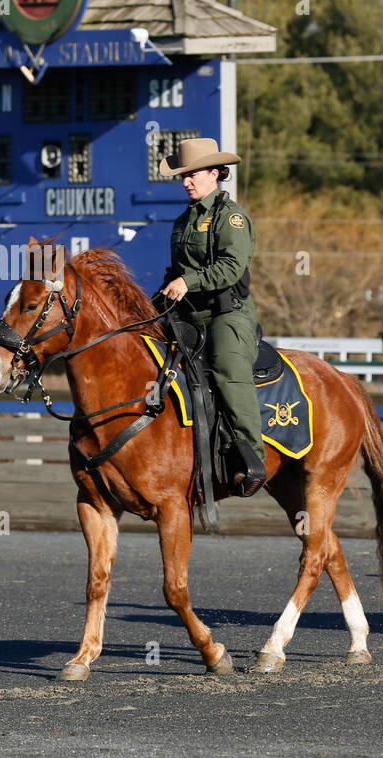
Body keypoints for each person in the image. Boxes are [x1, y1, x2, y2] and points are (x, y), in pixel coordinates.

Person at [157, 137, 265, 496]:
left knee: (227, 367)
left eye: (193, 174)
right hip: (186, 315)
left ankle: (250, 457)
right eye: (182, 175)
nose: (186, 181)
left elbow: (232, 268)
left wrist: (189, 281)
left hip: (227, 315)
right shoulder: (181, 221)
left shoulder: (231, 217)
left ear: (216, 173)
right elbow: (176, 271)